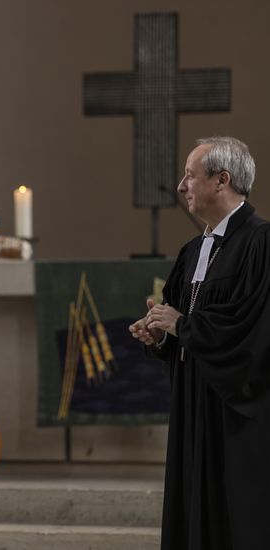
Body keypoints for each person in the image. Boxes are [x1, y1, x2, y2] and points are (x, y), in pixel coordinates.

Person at [129, 136, 270, 550]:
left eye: (190, 175)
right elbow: (183, 320)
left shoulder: (261, 243)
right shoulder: (194, 250)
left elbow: (253, 329)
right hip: (195, 404)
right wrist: (160, 336)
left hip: (234, 409)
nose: (181, 186)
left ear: (221, 180)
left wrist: (183, 327)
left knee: (233, 513)